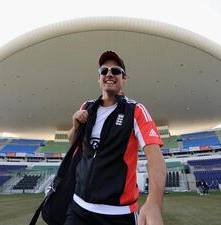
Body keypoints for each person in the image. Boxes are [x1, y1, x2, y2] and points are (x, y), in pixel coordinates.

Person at [65, 51, 166, 225]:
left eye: (116, 70)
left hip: (118, 214)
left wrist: (154, 203)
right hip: (78, 208)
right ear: (99, 79)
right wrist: (75, 127)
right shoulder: (87, 107)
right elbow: (73, 141)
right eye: (104, 71)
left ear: (124, 78)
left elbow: (154, 155)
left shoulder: (135, 110)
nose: (109, 74)